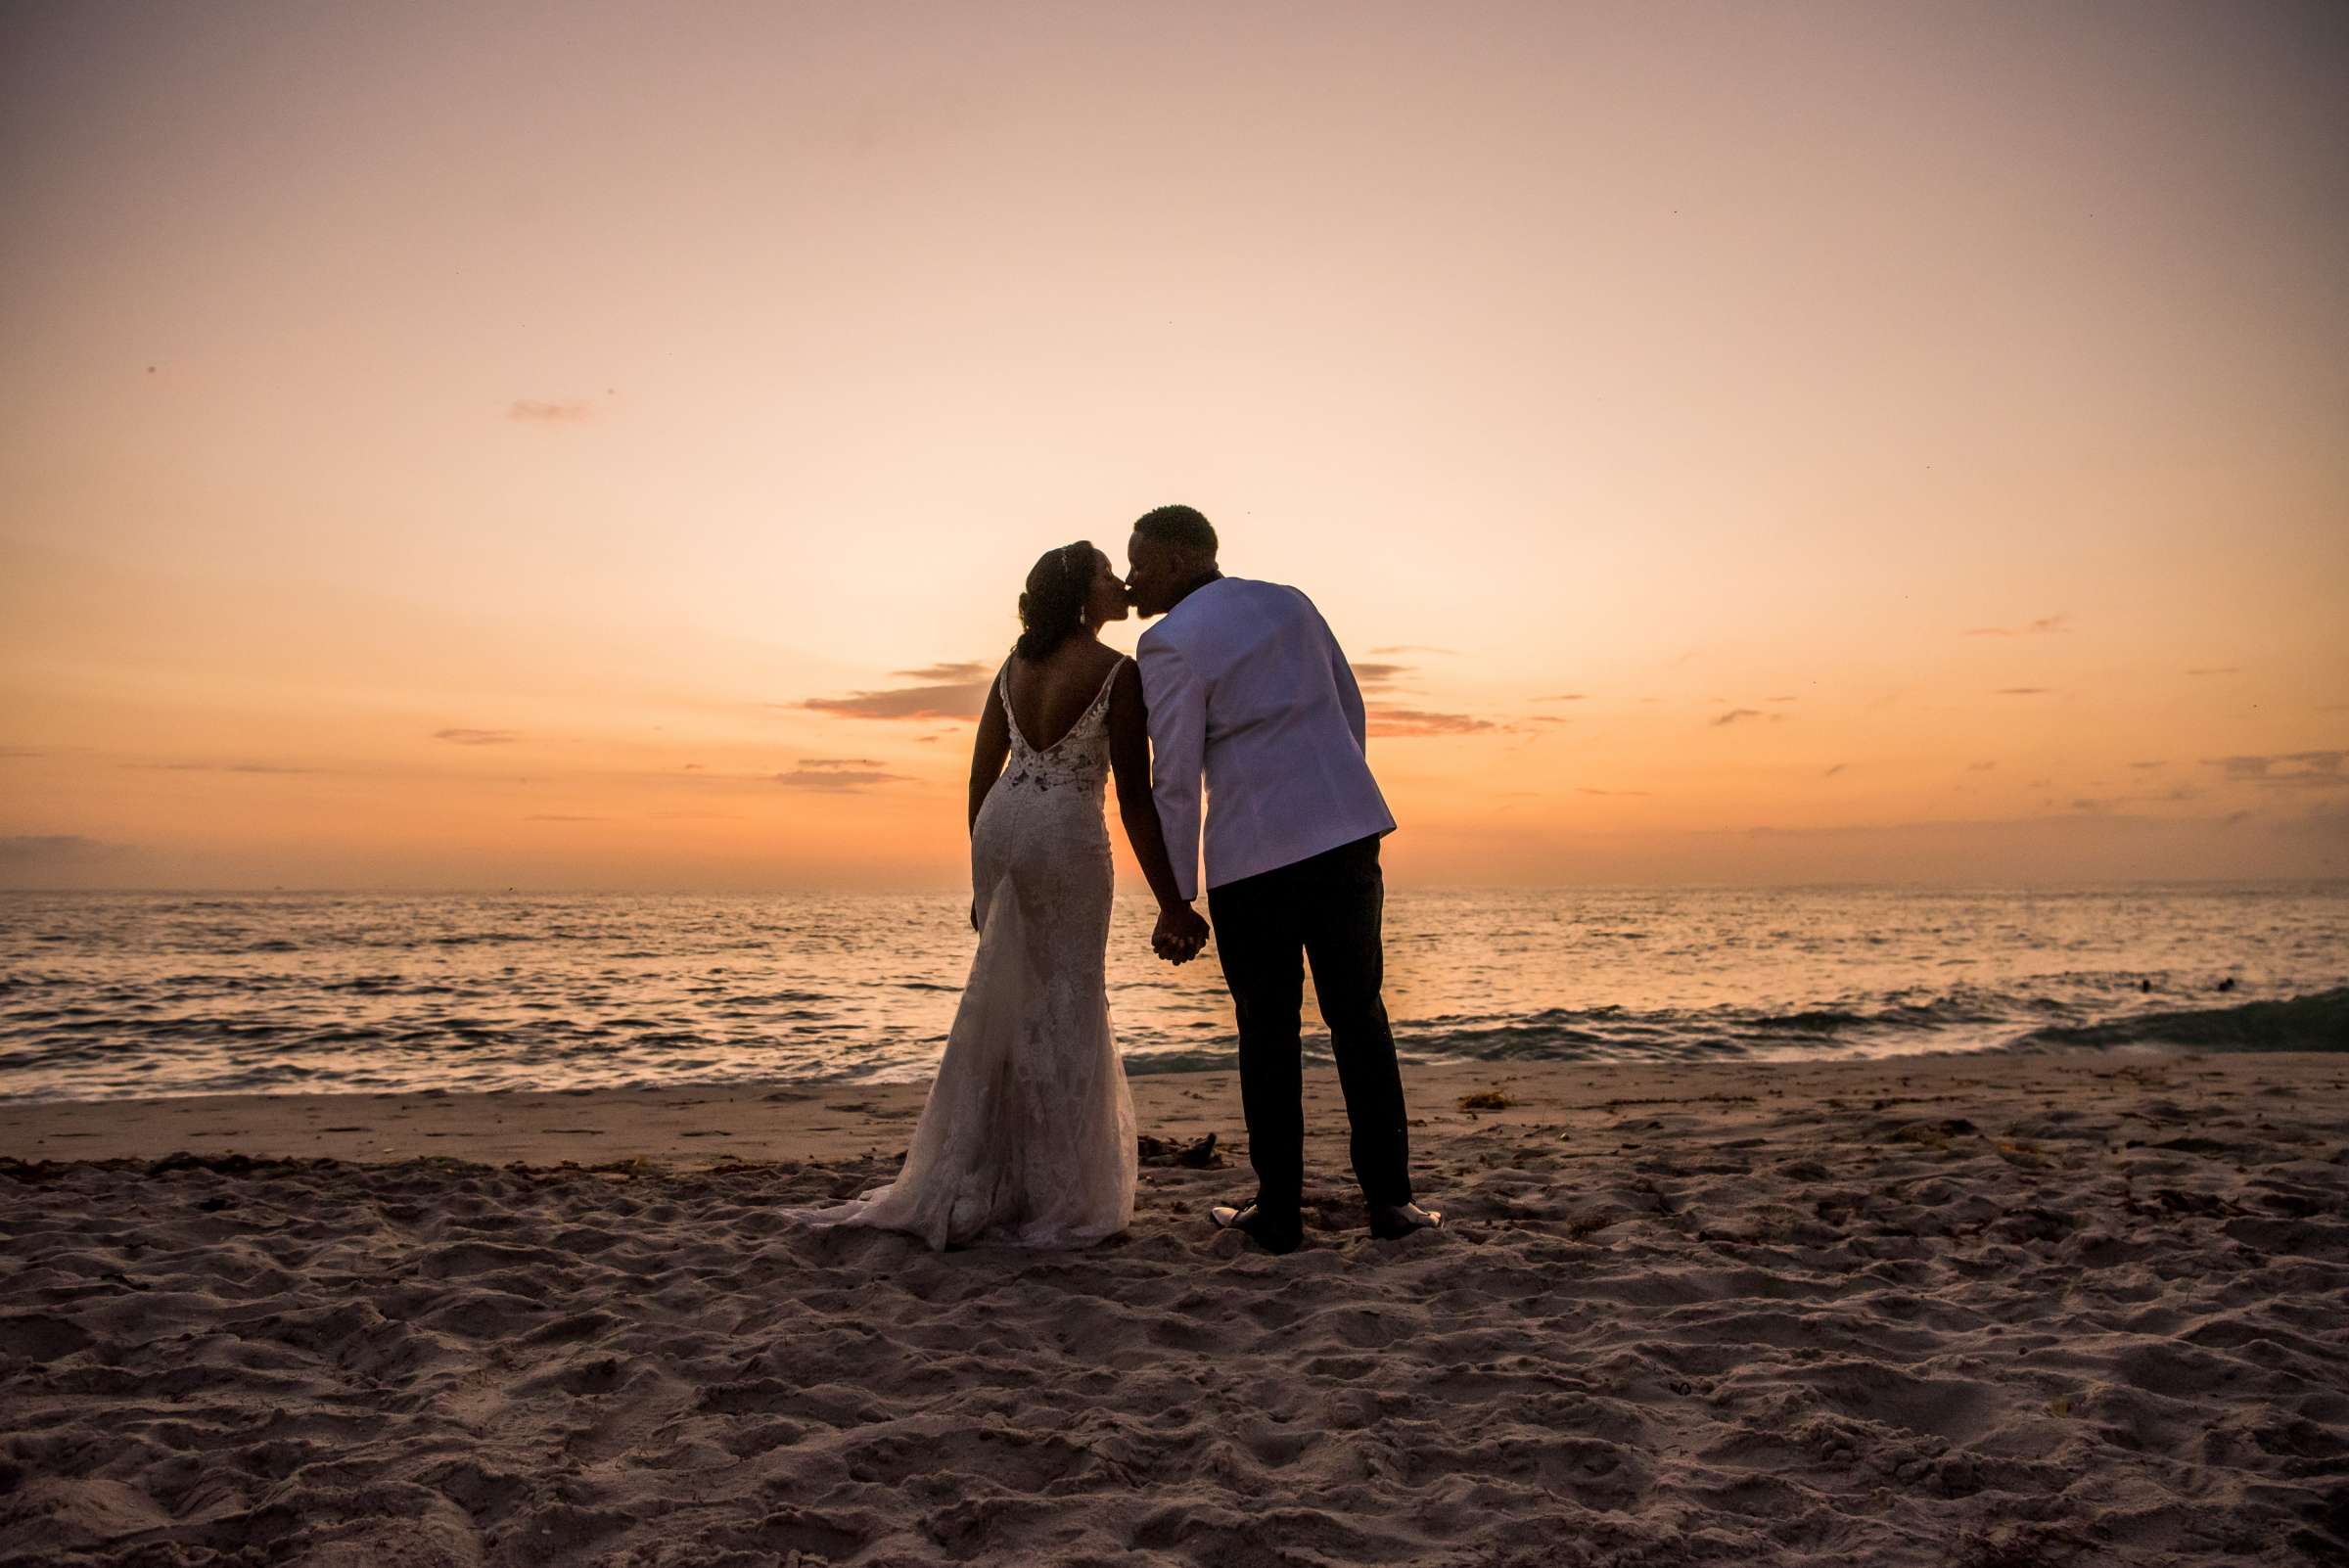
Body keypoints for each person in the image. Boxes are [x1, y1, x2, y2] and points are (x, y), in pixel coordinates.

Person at [779, 540, 1201, 1249]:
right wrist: (1172, 900)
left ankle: (989, 1167)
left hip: (1002, 826)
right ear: (1079, 595)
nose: (1117, 582)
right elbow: (1133, 796)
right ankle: (1056, 1188)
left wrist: (984, 881)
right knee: (1067, 998)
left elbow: (980, 775)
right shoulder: (1117, 673)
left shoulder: (1016, 667)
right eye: (1104, 574)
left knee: (1004, 994)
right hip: (1065, 833)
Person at [1126, 504, 1441, 1254]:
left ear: (1175, 561)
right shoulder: (1290, 601)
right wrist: (1336, 795)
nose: (1131, 577)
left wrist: (1176, 898)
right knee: (1360, 1018)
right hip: (1343, 831)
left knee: (1268, 1033)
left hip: (1253, 855)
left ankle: (1279, 1213)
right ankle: (1391, 1205)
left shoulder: (1166, 641)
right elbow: (1348, 704)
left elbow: (1174, 774)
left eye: (1138, 562)